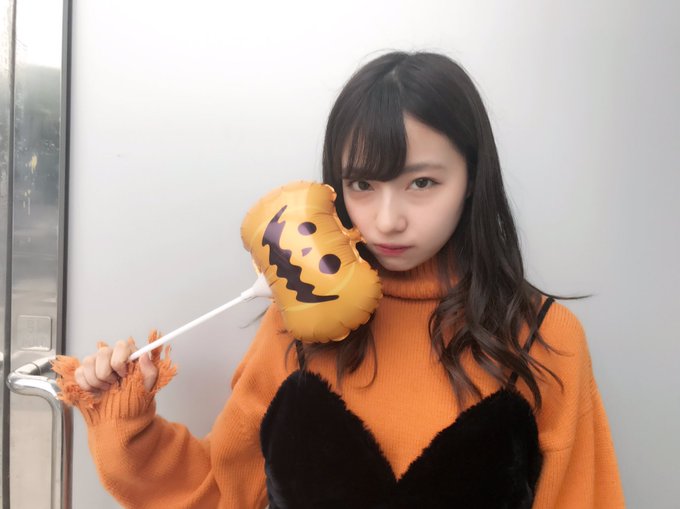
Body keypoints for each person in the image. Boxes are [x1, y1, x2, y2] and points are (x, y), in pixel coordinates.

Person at [54, 51, 625, 508]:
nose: (388, 219)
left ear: (472, 177)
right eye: (363, 185)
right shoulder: (298, 322)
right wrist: (128, 422)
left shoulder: (545, 337)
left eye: (422, 183)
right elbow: (224, 495)